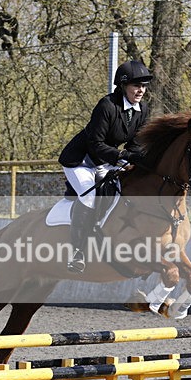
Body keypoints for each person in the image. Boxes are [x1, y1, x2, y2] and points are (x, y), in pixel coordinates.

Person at [58, 60, 152, 273]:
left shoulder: (142, 109)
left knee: (120, 192)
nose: (141, 90)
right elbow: (95, 143)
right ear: (123, 85)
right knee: (90, 197)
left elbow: (135, 144)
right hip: (80, 161)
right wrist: (121, 156)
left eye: (144, 86)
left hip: (104, 160)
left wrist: (137, 159)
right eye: (136, 85)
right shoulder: (107, 105)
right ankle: (76, 253)